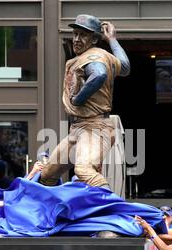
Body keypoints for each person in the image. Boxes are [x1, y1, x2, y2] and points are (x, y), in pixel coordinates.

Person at [39, 14, 130, 190]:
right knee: (47, 173)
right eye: (75, 34)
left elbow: (99, 75)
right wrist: (112, 40)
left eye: (83, 35)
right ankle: (49, 213)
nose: (77, 39)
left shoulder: (93, 56)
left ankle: (111, 209)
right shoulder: (101, 56)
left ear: (95, 38)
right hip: (79, 129)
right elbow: (125, 67)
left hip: (95, 128)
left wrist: (78, 98)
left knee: (84, 170)